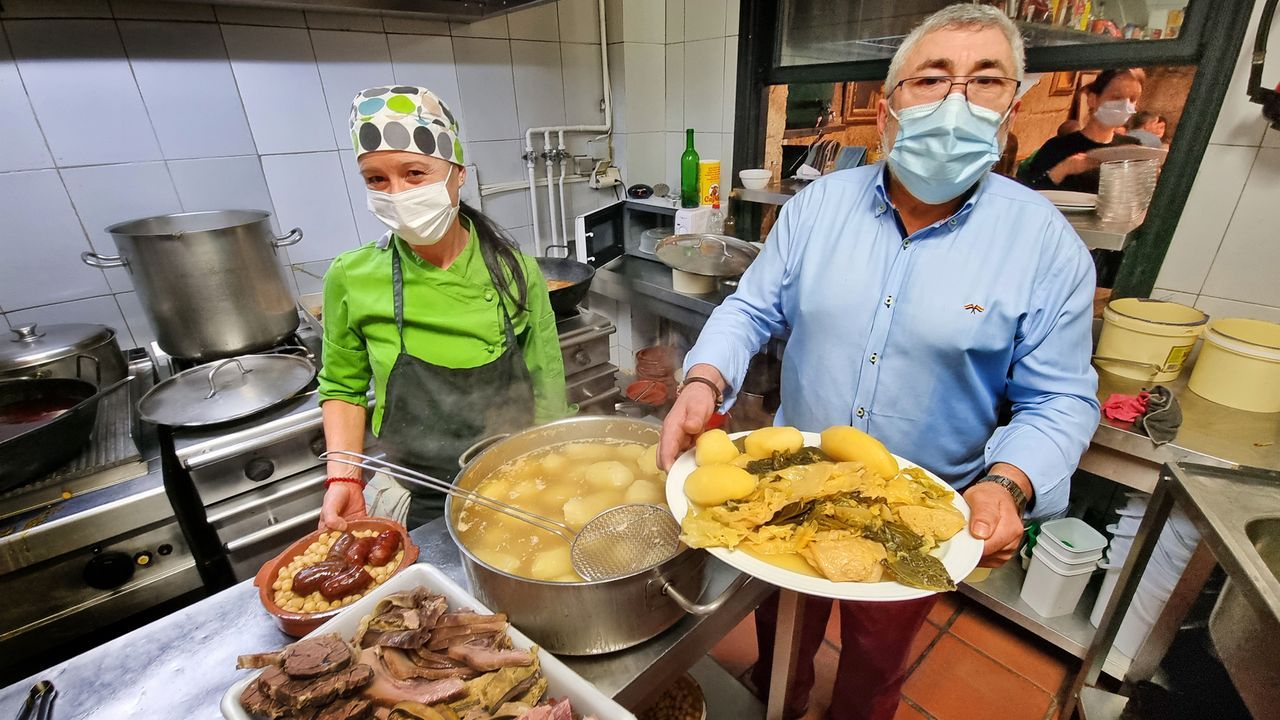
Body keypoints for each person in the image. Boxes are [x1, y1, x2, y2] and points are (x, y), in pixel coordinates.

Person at [657, 6, 1099, 720]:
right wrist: (704, 379)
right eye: (931, 79)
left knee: (876, 660)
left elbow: (1061, 400)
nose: (955, 101)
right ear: (890, 107)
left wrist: (1009, 483)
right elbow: (749, 310)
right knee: (782, 634)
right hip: (790, 485)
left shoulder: (1045, 247)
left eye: (984, 80)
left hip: (919, 505)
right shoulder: (815, 210)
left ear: (1012, 106)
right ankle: (783, 699)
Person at [317, 86, 569, 531]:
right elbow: (342, 386)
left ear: (458, 173)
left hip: (517, 482)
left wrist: (555, 467)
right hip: (419, 492)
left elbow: (546, 382)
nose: (396, 193)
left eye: (414, 173)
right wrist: (344, 476)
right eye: (376, 179)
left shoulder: (515, 271)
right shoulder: (350, 277)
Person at [1018, 69, 1145, 192]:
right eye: (1117, 97)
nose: (1125, 105)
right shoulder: (1057, 147)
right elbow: (1030, 191)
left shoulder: (1132, 149)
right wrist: (1063, 169)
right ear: (1092, 99)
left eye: (1132, 99)